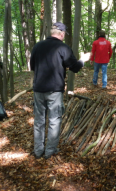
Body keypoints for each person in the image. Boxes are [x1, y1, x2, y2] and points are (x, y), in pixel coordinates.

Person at [30, 22, 91, 159]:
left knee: (39, 120)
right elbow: (74, 68)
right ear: (62, 34)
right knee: (54, 120)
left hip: (38, 89)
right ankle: (49, 151)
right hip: (54, 90)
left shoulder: (37, 46)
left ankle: (38, 151)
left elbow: (33, 66)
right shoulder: (63, 48)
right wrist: (83, 59)